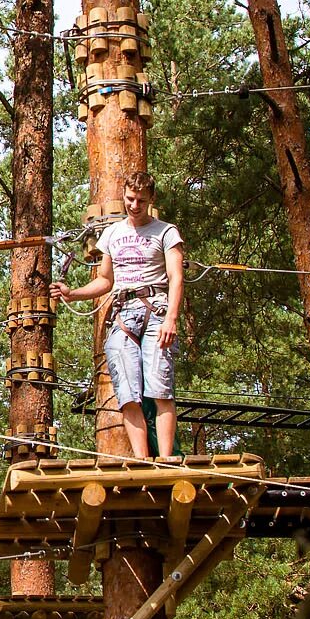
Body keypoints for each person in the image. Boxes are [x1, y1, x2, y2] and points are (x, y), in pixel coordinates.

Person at [54, 169, 186, 460]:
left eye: (140, 200)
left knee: (159, 388)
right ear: (124, 196)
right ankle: (141, 460)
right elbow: (105, 280)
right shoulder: (112, 233)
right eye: (129, 199)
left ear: (150, 199)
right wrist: (72, 292)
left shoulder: (166, 231)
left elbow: (176, 277)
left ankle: (165, 460)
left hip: (156, 310)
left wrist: (171, 319)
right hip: (123, 314)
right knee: (127, 394)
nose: (134, 205)